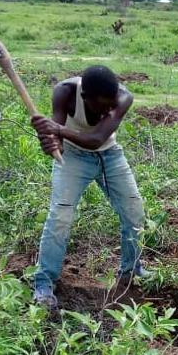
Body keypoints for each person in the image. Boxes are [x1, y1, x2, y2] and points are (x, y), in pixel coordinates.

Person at [30, 66, 146, 307]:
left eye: (111, 104)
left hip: (109, 155)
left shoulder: (123, 98)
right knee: (60, 216)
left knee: (134, 211)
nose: (108, 110)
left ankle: (131, 272)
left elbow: (96, 139)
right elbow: (58, 145)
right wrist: (50, 142)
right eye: (102, 106)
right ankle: (44, 283)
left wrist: (57, 129)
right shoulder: (64, 93)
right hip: (73, 157)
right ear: (85, 98)